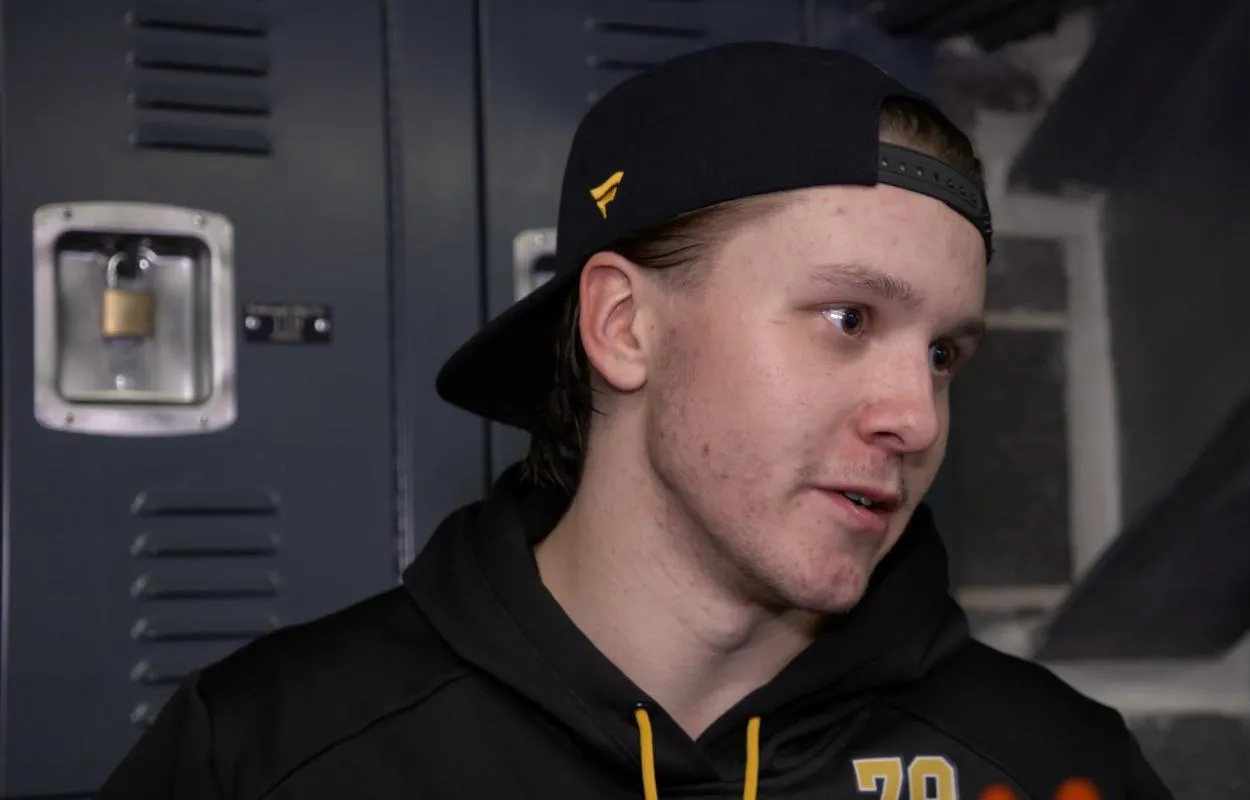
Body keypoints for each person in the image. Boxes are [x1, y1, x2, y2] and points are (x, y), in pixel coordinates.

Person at [99, 41, 1174, 799]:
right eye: (849, 317)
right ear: (623, 325)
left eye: (943, 352)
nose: (915, 415)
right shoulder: (274, 749)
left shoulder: (1052, 764)